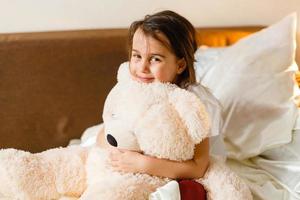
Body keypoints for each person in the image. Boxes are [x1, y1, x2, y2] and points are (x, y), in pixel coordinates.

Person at [96, 10, 224, 199]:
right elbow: (107, 132)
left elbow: (199, 167)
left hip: (178, 168)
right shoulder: (132, 88)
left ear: (180, 65)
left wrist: (143, 164)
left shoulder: (194, 102)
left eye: (155, 58)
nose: (142, 68)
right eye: (136, 56)